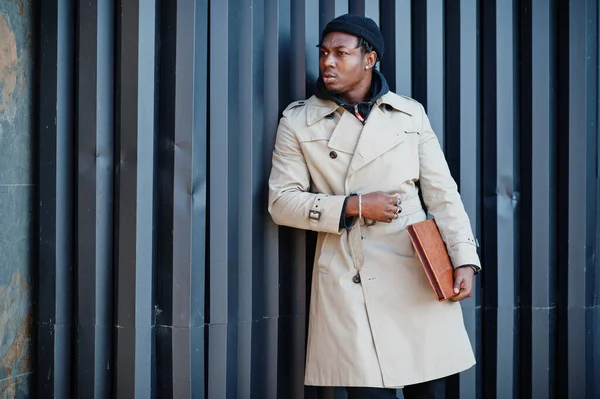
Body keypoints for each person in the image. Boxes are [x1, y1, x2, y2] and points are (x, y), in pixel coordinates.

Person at [268, 14, 481, 399]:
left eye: (340, 53)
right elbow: (281, 202)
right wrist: (355, 204)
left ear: (370, 58)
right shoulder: (299, 120)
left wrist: (463, 258)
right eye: (323, 53)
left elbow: (443, 194)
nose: (327, 62)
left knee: (430, 389)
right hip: (350, 273)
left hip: (417, 272)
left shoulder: (409, 114)